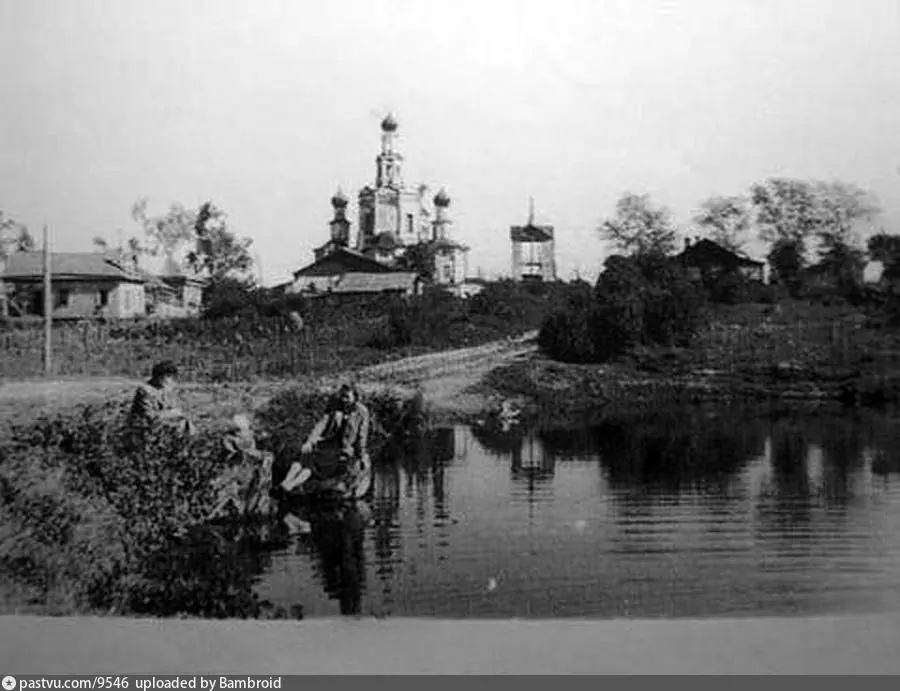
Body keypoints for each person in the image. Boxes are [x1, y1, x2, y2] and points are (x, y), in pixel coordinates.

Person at [285, 384, 371, 497]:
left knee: (310, 468)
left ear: (355, 397)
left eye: (347, 397)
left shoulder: (362, 412)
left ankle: (289, 486)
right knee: (303, 459)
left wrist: (361, 455)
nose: (344, 400)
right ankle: (285, 484)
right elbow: (321, 424)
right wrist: (310, 441)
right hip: (327, 446)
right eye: (342, 396)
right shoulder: (335, 407)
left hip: (342, 451)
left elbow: (361, 436)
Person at [127, 360, 195, 438]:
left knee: (185, 423)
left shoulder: (167, 389)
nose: (170, 380)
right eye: (167, 376)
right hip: (144, 427)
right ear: (158, 376)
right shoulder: (145, 390)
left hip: (161, 423)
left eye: (171, 377)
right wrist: (172, 413)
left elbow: (175, 407)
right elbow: (149, 416)